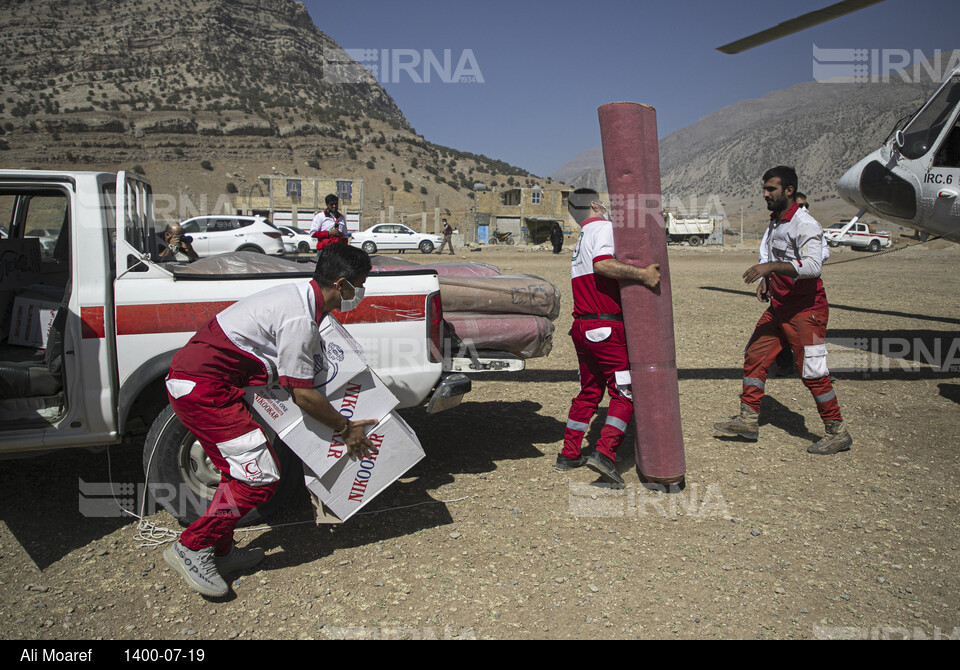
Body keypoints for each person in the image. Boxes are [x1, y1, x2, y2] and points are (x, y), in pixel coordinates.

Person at [162, 243, 377, 597]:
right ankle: (192, 545)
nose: (361, 293)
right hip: (204, 391)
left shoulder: (298, 298)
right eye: (360, 284)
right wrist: (346, 428)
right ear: (342, 284)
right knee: (258, 479)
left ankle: (222, 551)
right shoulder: (299, 318)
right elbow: (303, 395)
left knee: (238, 472)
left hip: (205, 386)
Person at [714, 166, 853, 455]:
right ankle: (748, 420)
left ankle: (837, 431)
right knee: (755, 355)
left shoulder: (805, 224)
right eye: (764, 189)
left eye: (771, 189)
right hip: (779, 308)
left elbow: (813, 267)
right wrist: (767, 280)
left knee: (813, 372)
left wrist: (770, 268)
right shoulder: (777, 221)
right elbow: (777, 255)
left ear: (789, 190)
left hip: (806, 311)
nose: (765, 194)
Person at [555, 188, 661, 485]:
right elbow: (602, 265)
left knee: (589, 391)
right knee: (624, 392)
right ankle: (605, 453)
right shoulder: (604, 228)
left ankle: (569, 452)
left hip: (582, 328)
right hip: (605, 327)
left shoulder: (581, 240)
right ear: (593, 205)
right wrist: (641, 275)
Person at [758, 191, 829, 377]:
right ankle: (785, 365)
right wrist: (764, 278)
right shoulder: (776, 226)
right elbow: (766, 254)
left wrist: (804, 262)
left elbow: (822, 253)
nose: (804, 209)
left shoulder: (809, 225)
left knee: (809, 337)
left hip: (805, 293)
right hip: (782, 292)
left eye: (806, 205)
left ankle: (816, 371)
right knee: (777, 332)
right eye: (800, 205)